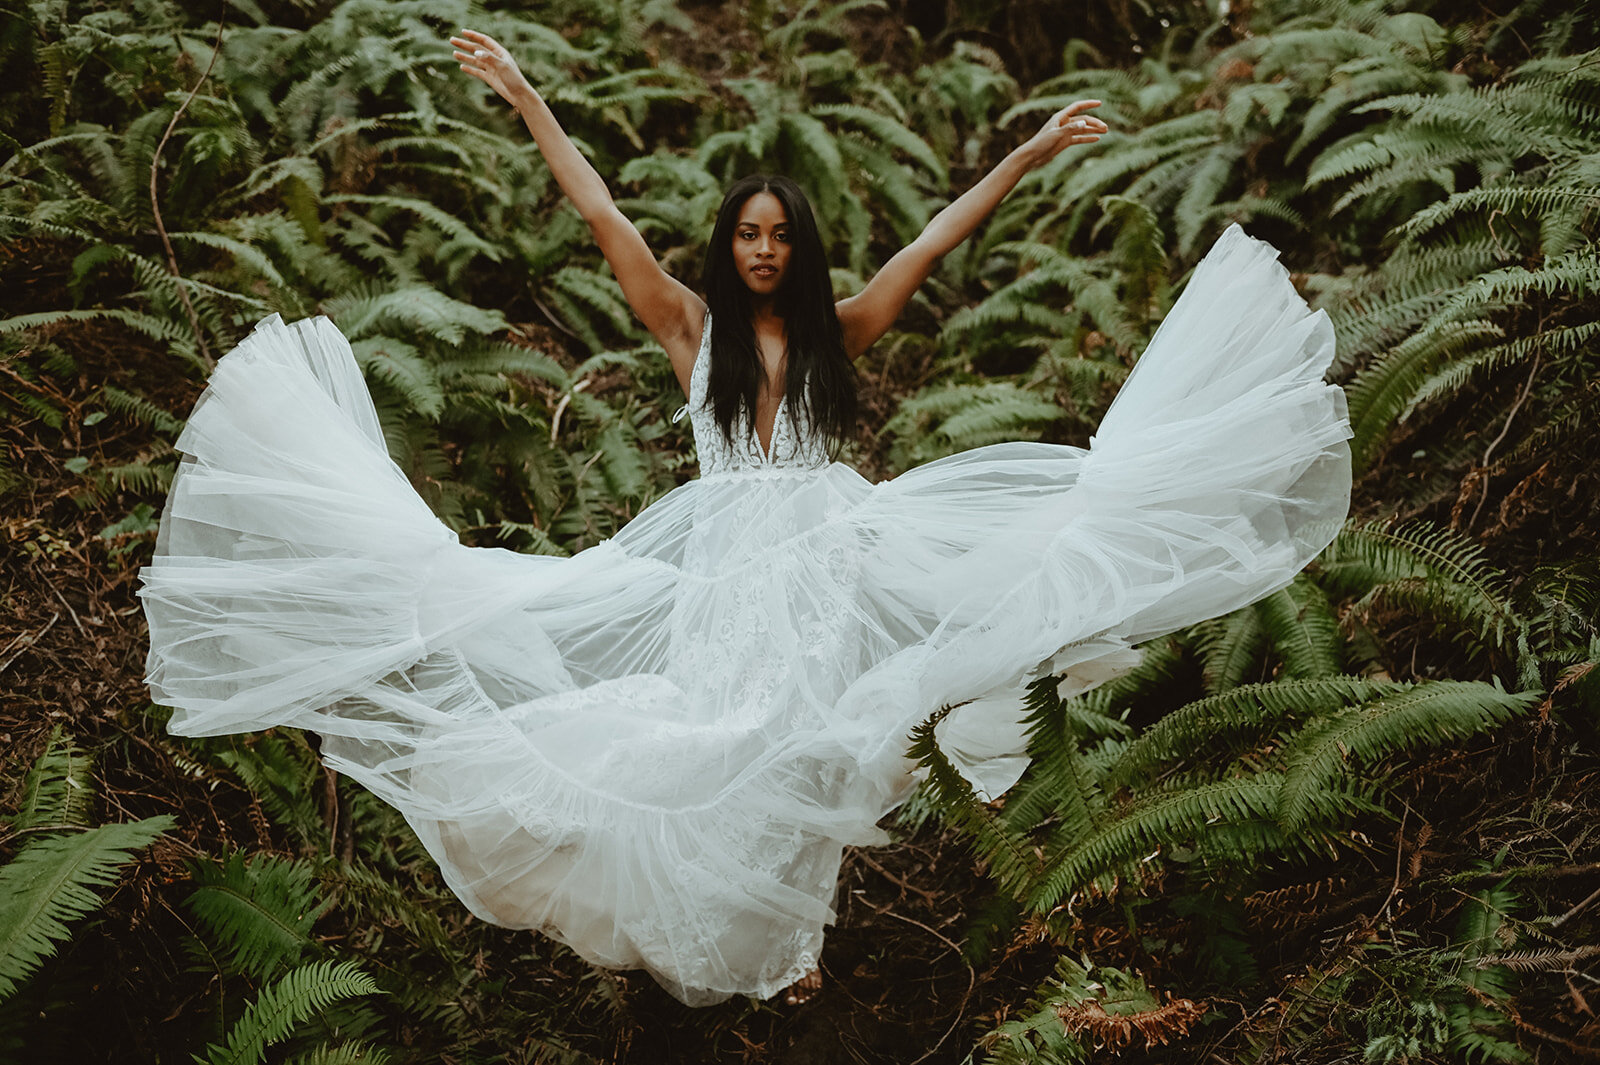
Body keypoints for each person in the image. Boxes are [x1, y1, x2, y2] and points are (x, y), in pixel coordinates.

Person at [139, 29, 1352, 1008]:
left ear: (800, 248)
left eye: (780, 236)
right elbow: (601, 210)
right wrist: (521, 94)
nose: (764, 250)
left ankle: (793, 948)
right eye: (748, 235)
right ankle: (714, 943)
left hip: (827, 558)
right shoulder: (689, 329)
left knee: (813, 743)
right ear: (726, 247)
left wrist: (1030, 152)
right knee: (721, 742)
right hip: (724, 563)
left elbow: (935, 237)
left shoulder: (840, 332)